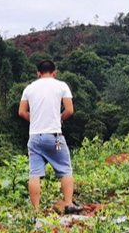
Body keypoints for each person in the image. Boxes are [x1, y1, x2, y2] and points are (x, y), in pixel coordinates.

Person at [18, 60, 83, 214]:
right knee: (65, 169)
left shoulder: (29, 88)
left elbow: (21, 112)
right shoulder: (61, 86)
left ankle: (35, 211)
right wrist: (60, 117)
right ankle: (68, 204)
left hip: (34, 137)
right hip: (54, 136)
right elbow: (70, 110)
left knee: (35, 174)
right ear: (55, 72)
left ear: (38, 73)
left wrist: (33, 120)